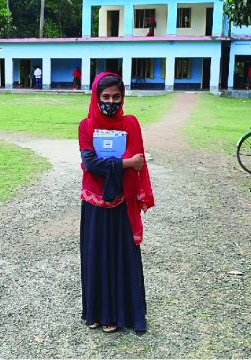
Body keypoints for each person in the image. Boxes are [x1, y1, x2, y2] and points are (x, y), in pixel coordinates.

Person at [78, 72, 154, 333]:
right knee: (96, 256)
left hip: (122, 201)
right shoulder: (86, 126)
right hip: (94, 202)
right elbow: (89, 163)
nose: (110, 102)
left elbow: (139, 160)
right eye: (105, 97)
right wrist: (124, 163)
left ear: (122, 98)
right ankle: (97, 313)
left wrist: (130, 164)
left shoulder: (130, 124)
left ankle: (119, 315)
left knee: (120, 257)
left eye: (116, 97)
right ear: (96, 97)